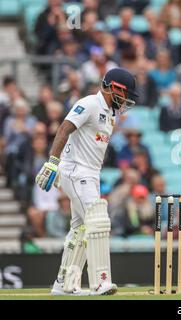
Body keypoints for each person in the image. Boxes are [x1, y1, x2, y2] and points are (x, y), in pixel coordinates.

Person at [35, 68, 139, 296]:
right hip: (76, 171)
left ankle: (63, 284)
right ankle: (101, 282)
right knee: (97, 222)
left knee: (80, 229)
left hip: (91, 175)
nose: (126, 101)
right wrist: (52, 161)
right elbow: (64, 128)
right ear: (114, 88)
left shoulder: (109, 114)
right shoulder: (90, 103)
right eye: (125, 95)